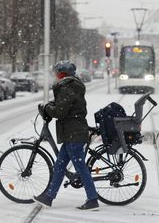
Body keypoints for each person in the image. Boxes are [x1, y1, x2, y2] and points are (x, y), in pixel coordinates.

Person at [33, 61, 99, 210]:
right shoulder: (70, 86)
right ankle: (49, 197)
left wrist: (47, 107)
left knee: (80, 167)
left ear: (62, 74)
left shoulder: (68, 87)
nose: (55, 76)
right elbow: (63, 106)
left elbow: (60, 111)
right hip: (72, 132)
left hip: (73, 133)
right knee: (60, 166)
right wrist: (52, 105)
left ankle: (93, 199)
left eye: (57, 73)